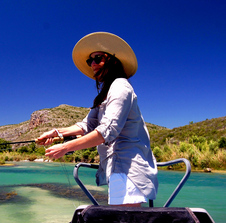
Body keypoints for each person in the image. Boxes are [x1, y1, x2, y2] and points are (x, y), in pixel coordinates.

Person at [37, 32, 158, 206]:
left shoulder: (120, 86)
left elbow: (107, 131)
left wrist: (65, 147)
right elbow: (87, 124)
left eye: (98, 58)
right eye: (90, 61)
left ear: (113, 61)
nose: (92, 64)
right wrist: (56, 132)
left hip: (129, 169)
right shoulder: (104, 94)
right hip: (116, 167)